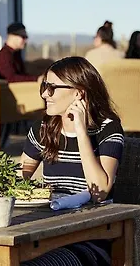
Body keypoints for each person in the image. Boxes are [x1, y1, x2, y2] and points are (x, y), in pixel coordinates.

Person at [20, 56, 124, 266]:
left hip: (90, 238)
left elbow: (99, 192)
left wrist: (81, 131)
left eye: (52, 88)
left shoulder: (107, 129)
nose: (44, 94)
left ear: (78, 93)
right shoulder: (44, 128)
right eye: (44, 86)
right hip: (47, 231)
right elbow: (19, 177)